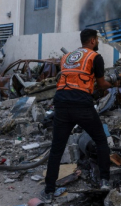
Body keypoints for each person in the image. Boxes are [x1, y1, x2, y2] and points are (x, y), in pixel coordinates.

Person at [41, 29, 114, 202]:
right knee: (101, 140)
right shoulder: (95, 57)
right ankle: (104, 181)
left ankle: (49, 191)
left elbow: (76, 79)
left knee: (57, 148)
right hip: (82, 105)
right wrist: (115, 82)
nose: (97, 43)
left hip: (61, 104)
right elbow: (102, 84)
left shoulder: (67, 57)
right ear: (93, 40)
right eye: (97, 40)